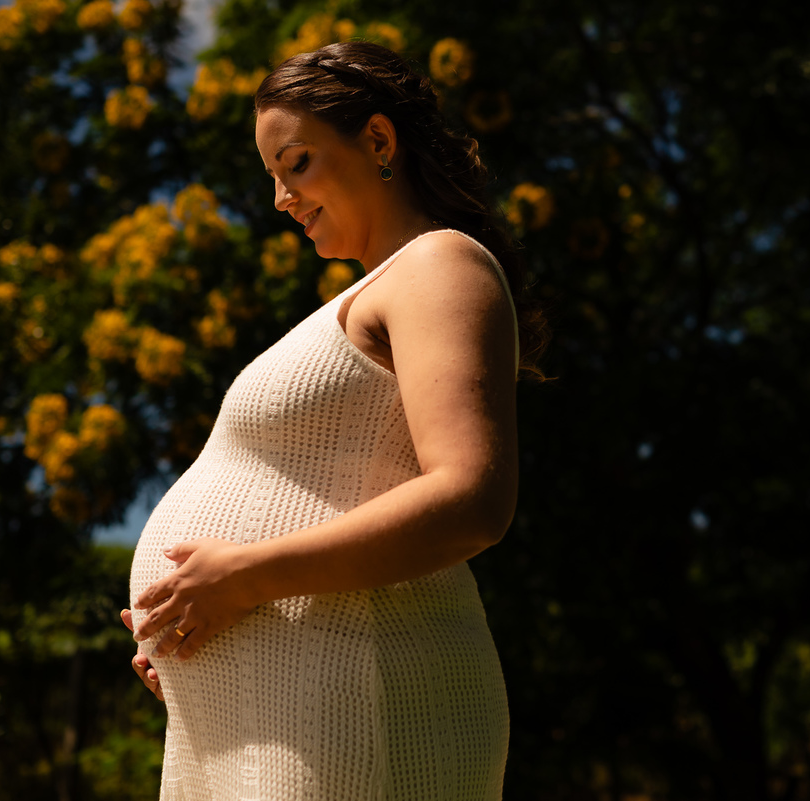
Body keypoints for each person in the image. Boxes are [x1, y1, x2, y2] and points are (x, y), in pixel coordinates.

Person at [119, 40, 547, 800]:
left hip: (359, 702)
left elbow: (473, 495)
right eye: (274, 178)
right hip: (286, 703)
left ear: (378, 141)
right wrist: (191, 629)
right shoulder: (365, 297)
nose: (282, 198)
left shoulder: (438, 265)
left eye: (298, 163)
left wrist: (241, 578)